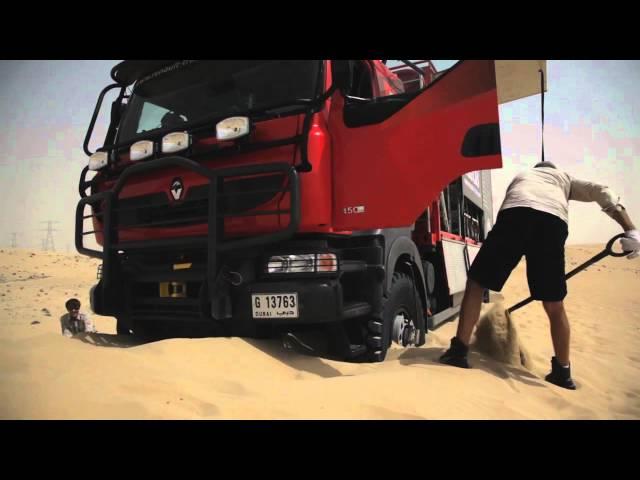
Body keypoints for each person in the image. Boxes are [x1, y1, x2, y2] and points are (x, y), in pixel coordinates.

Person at [439, 161, 640, 389]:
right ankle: (563, 373)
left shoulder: (523, 175)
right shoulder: (564, 178)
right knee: (554, 305)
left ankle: (458, 351)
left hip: (515, 215)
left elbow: (519, 210)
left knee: (477, 284)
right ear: (554, 170)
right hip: (552, 224)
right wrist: (630, 229)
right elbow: (603, 192)